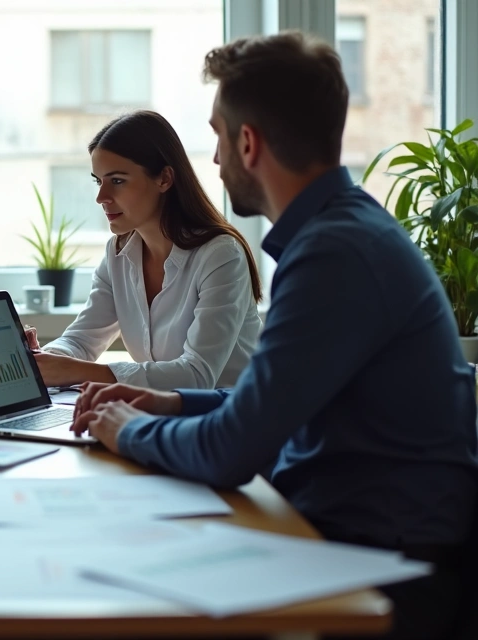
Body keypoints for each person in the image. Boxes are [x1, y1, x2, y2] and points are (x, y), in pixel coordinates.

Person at [72, 32, 477, 640]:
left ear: (248, 142)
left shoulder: (334, 253)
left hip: (381, 557)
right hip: (346, 526)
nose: (211, 160)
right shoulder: (340, 234)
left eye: (216, 135)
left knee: (118, 589)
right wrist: (175, 403)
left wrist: (132, 431)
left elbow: (234, 448)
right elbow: (273, 401)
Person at [24, 110, 262, 391]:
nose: (101, 197)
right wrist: (42, 360)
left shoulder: (221, 255)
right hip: (160, 418)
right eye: (98, 181)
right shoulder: (118, 253)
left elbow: (196, 375)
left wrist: (76, 371)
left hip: (225, 424)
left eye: (117, 181)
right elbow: (80, 341)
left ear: (164, 179)